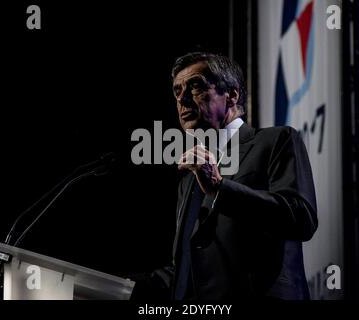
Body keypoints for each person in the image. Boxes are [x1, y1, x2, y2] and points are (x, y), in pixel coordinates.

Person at [130, 52, 318, 300]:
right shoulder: (189, 179)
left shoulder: (276, 141)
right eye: (177, 91)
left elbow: (301, 217)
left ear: (231, 96)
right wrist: (123, 286)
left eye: (195, 86)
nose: (182, 99)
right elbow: (189, 266)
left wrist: (220, 189)